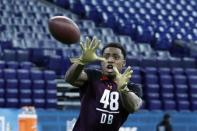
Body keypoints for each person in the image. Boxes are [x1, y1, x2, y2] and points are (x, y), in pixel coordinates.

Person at [65, 36, 143, 131]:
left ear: (123, 63)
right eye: (106, 56)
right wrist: (82, 61)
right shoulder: (92, 76)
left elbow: (134, 107)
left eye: (116, 57)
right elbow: (70, 78)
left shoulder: (132, 87)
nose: (110, 60)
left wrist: (124, 89)